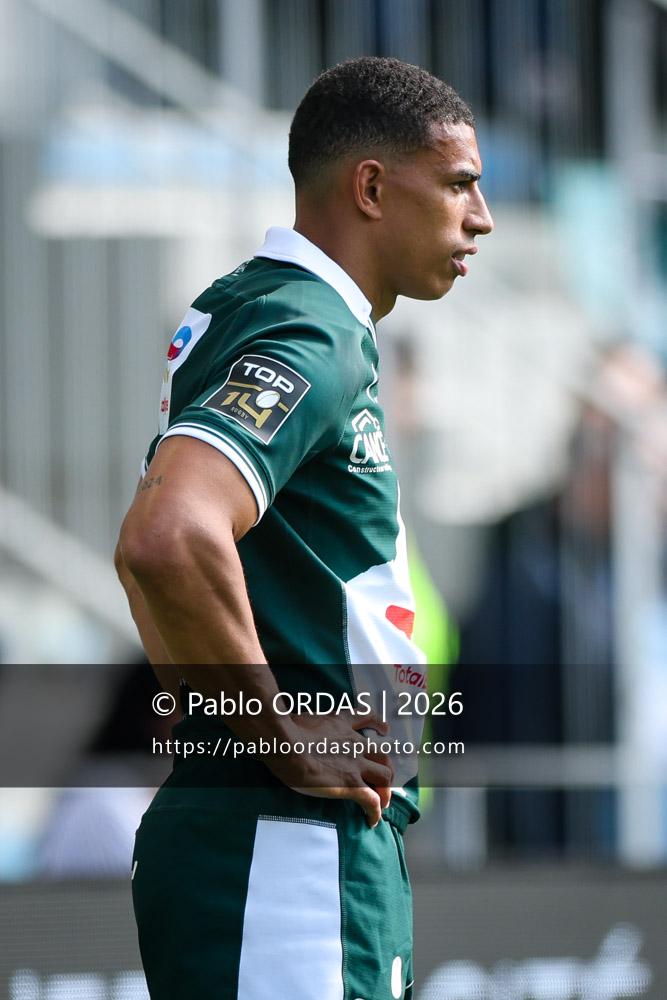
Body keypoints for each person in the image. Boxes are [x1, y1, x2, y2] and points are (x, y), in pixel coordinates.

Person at [115, 56, 493, 1000]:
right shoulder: (308, 328)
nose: (479, 217)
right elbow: (165, 537)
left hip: (272, 838)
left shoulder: (261, 305)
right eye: (456, 184)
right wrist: (280, 732)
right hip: (287, 849)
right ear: (370, 186)